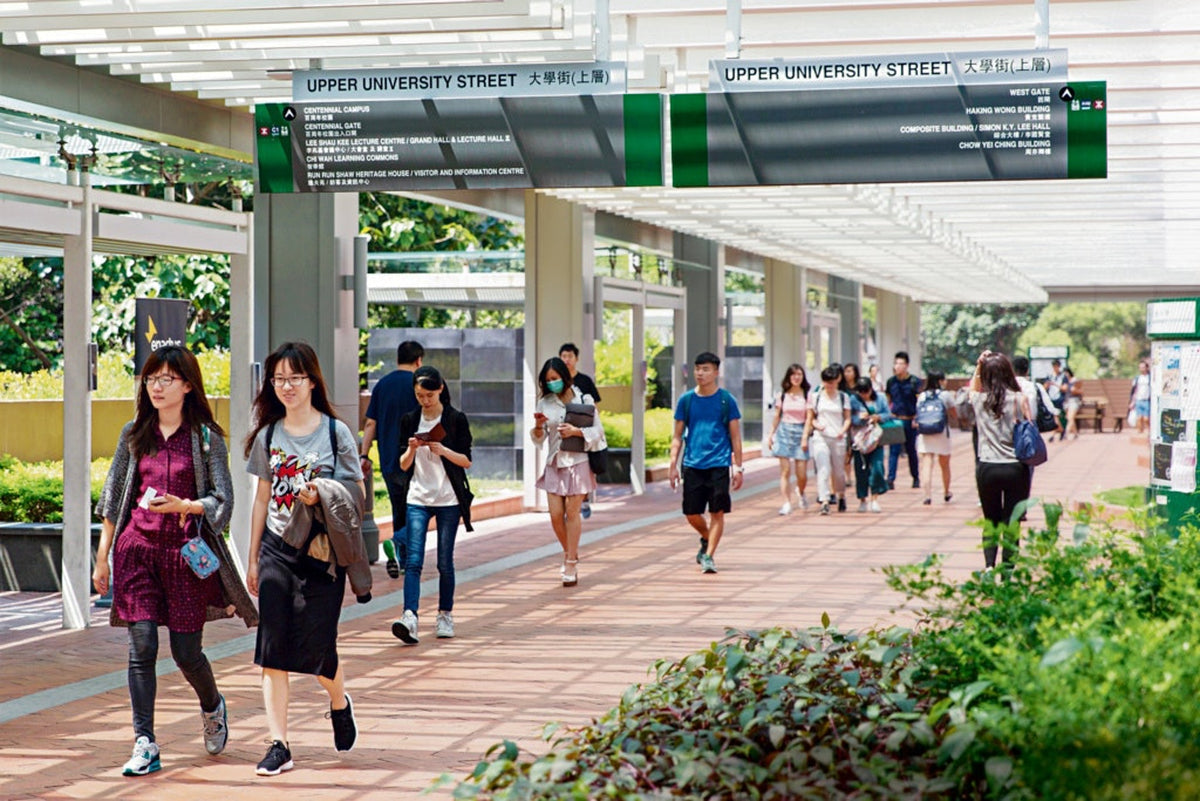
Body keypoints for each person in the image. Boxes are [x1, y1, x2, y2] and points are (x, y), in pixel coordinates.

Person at [93, 346, 257, 777]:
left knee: (187, 652)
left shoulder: (205, 438)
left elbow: (224, 499)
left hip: (184, 556)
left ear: (187, 384)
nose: (157, 387)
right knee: (141, 645)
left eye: (166, 379)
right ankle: (144, 741)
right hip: (138, 552)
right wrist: (102, 557)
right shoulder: (134, 434)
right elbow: (113, 498)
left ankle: (212, 705)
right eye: (151, 379)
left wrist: (188, 504)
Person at [244, 342, 367, 777]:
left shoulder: (336, 433)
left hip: (321, 555)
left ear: (312, 381)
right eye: (278, 379)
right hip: (278, 549)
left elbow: (357, 493)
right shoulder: (268, 435)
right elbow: (261, 499)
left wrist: (321, 494)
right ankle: (279, 743)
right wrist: (253, 558)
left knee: (317, 649)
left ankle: (339, 700)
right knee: (272, 651)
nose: (286, 387)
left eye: (295, 378)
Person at [391, 366, 474, 644]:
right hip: (417, 497)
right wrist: (412, 449)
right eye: (419, 395)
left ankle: (444, 614)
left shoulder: (455, 419)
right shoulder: (410, 419)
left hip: (448, 499)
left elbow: (467, 461)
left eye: (428, 394)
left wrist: (444, 450)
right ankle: (410, 616)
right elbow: (402, 466)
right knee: (413, 561)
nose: (424, 400)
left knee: (444, 562)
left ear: (440, 389)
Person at [668, 352, 744, 574]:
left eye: (706, 369)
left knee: (717, 512)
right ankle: (706, 537)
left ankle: (709, 556)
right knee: (691, 513)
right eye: (698, 369)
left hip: (719, 464)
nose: (700, 373)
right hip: (692, 464)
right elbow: (677, 435)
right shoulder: (687, 400)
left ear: (716, 372)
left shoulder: (726, 401)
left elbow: (736, 437)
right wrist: (672, 464)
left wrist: (738, 467)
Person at [530, 356, 603, 586]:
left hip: (578, 461)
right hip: (554, 462)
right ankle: (570, 551)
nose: (552, 383)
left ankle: (570, 562)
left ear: (565, 376)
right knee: (554, 515)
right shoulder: (545, 403)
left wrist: (576, 432)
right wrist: (539, 426)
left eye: (556, 378)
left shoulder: (584, 398)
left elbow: (598, 431)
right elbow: (538, 439)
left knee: (572, 514)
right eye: (548, 380)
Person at [360, 340, 423, 579]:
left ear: (398, 359)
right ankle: (399, 546)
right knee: (419, 509)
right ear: (419, 360)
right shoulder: (420, 385)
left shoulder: (382, 385)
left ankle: (403, 558)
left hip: (389, 460)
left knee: (399, 509)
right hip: (417, 459)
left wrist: (364, 455)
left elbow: (370, 423)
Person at [970, 350, 1032, 572]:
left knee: (991, 520)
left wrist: (979, 365)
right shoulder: (1019, 399)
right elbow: (1029, 427)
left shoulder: (979, 400)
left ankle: (988, 567)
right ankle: (1008, 571)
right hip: (1016, 467)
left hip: (987, 467)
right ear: (1008, 373)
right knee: (1012, 521)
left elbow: (973, 388)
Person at [559, 342, 603, 519]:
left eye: (570, 356)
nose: (567, 360)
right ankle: (567, 502)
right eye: (563, 356)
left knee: (585, 467)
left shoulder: (584, 381)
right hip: (564, 431)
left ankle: (583, 499)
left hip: (583, 432)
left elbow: (595, 407)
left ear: (576, 359)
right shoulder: (558, 382)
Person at [804, 365, 851, 515]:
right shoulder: (816, 396)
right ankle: (824, 500)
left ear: (837, 381)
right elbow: (811, 418)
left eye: (832, 382)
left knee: (838, 472)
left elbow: (848, 419)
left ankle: (841, 495)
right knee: (823, 469)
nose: (829, 386)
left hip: (838, 438)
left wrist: (842, 431)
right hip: (821, 437)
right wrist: (817, 425)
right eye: (826, 382)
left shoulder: (843, 397)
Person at [766, 363, 811, 514]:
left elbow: (809, 418)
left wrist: (805, 437)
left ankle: (801, 491)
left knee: (801, 473)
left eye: (799, 374)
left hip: (800, 432)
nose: (796, 377)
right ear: (788, 377)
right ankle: (786, 502)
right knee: (785, 471)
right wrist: (771, 434)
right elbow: (777, 416)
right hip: (784, 432)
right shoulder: (783, 395)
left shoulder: (807, 395)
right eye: (793, 374)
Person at [914, 370, 958, 505]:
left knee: (926, 464)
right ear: (940, 381)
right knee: (944, 465)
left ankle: (927, 495)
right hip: (941, 432)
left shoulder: (922, 396)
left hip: (925, 433)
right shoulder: (945, 395)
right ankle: (946, 492)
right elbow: (954, 413)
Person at [848, 377, 890, 513]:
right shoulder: (853, 400)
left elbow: (888, 414)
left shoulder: (880, 398)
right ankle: (862, 499)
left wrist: (877, 417)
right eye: (861, 392)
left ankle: (875, 499)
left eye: (866, 391)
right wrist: (859, 419)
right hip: (859, 440)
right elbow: (849, 418)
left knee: (877, 467)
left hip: (875, 439)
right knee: (861, 470)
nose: (864, 394)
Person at [885, 351, 923, 489]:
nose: (898, 366)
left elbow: (920, 401)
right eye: (896, 363)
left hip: (910, 420)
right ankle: (890, 479)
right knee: (893, 451)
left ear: (907, 365)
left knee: (911, 450)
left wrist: (917, 418)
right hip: (896, 420)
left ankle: (915, 477)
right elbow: (888, 399)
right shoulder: (891, 382)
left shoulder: (914, 381)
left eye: (901, 363)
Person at [1129, 359, 1151, 433]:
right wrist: (1132, 402)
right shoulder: (1137, 378)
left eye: (1143, 367)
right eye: (1140, 367)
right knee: (1139, 418)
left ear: (1146, 368)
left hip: (1146, 400)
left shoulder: (1149, 378)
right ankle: (1140, 432)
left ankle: (1150, 432)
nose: (1141, 369)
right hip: (1138, 400)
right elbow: (1134, 391)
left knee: (1146, 419)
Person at [1062, 368, 1084, 440]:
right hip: (1067, 401)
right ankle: (1075, 433)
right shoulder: (1066, 382)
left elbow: (1080, 390)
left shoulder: (1075, 380)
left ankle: (1066, 433)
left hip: (1074, 400)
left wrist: (1075, 390)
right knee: (1069, 418)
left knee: (1070, 417)